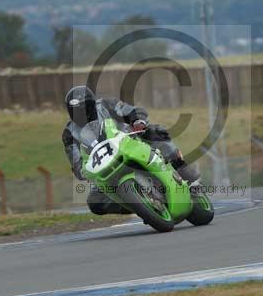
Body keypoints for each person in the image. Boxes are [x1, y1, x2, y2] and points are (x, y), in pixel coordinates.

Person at [62, 85, 200, 215]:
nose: (80, 114)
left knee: (154, 132)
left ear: (91, 105)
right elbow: (76, 162)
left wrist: (138, 121)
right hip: (105, 169)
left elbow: (132, 111)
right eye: (75, 111)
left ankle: (185, 173)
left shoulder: (105, 105)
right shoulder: (69, 133)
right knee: (95, 202)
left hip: (130, 143)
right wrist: (83, 171)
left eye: (83, 109)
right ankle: (139, 206)